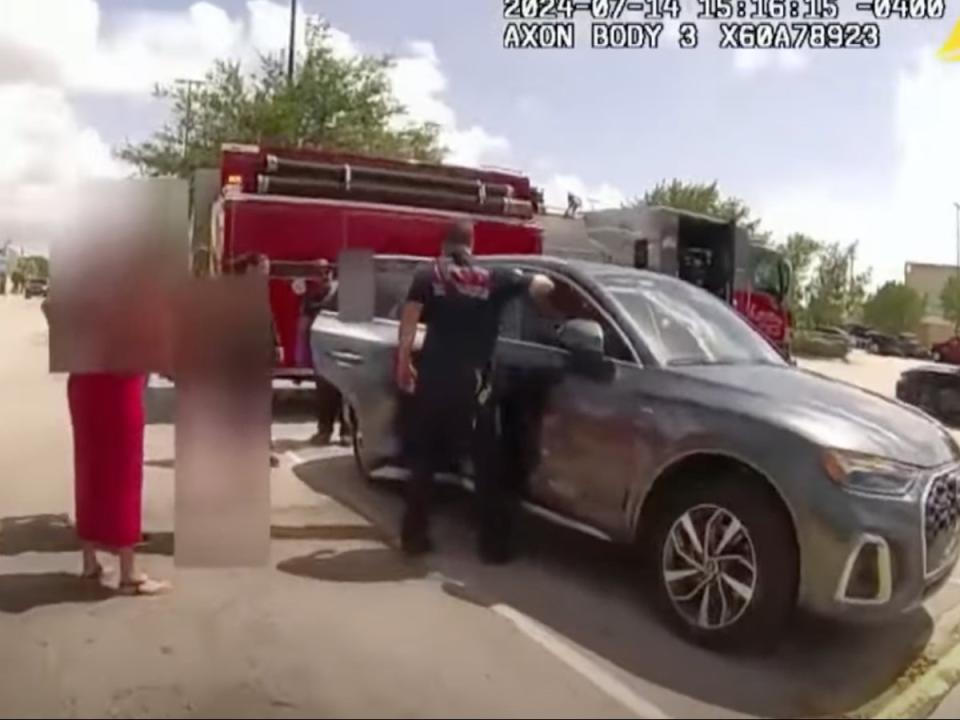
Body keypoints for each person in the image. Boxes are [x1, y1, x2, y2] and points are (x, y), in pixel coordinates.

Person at [395, 221, 554, 562]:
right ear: (471, 244)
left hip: (434, 379)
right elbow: (542, 284)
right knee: (486, 464)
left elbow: (409, 324)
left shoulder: (428, 275)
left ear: (444, 245)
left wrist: (404, 362)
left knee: (423, 461)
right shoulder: (493, 277)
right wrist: (542, 288)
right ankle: (493, 548)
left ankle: (415, 538)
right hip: (476, 383)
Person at [42, 298, 171, 595]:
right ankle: (129, 574)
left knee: (89, 470)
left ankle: (90, 561)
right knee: (123, 474)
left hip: (84, 382)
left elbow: (50, 307)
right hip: (117, 386)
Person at [299, 261, 351, 446]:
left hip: (342, 348)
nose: (323, 275)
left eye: (326, 271)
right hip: (322, 349)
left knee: (345, 392)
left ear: (332, 272)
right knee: (324, 393)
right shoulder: (311, 297)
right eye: (319, 272)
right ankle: (324, 432)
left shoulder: (343, 294)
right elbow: (304, 324)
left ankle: (347, 433)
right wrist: (302, 350)